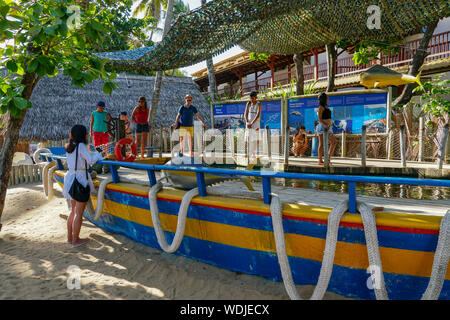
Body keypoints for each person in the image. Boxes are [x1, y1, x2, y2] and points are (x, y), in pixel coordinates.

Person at [63, 125, 104, 248]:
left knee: (72, 211)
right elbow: (91, 160)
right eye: (86, 133)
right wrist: (99, 154)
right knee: (79, 213)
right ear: (82, 134)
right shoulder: (81, 146)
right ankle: (76, 240)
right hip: (80, 179)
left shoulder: (69, 146)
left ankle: (70, 238)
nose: (87, 135)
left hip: (70, 178)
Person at [317, 92, 337, 166]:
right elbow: (319, 119)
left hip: (328, 127)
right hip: (323, 127)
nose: (328, 98)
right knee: (321, 144)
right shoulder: (321, 107)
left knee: (334, 142)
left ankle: (327, 159)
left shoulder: (326, 107)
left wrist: (329, 125)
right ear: (324, 99)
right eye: (327, 97)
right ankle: (320, 160)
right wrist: (325, 125)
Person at [244, 91, 262, 158]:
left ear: (256, 97)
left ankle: (254, 153)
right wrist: (247, 122)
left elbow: (258, 114)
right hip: (248, 123)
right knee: (247, 139)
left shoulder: (259, 104)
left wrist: (252, 123)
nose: (252, 99)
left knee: (255, 139)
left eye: (253, 98)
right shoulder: (248, 104)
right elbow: (245, 114)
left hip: (255, 124)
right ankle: (248, 152)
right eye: (251, 98)